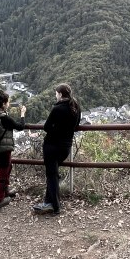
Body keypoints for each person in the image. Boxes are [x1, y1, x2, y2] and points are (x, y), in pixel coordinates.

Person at [33, 83, 81, 215]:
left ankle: (55, 206)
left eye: (56, 93)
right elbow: (76, 126)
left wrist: (56, 128)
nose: (55, 95)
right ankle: (48, 202)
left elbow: (46, 127)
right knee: (53, 174)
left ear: (60, 94)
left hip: (52, 146)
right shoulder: (75, 107)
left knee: (52, 175)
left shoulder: (57, 109)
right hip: (65, 147)